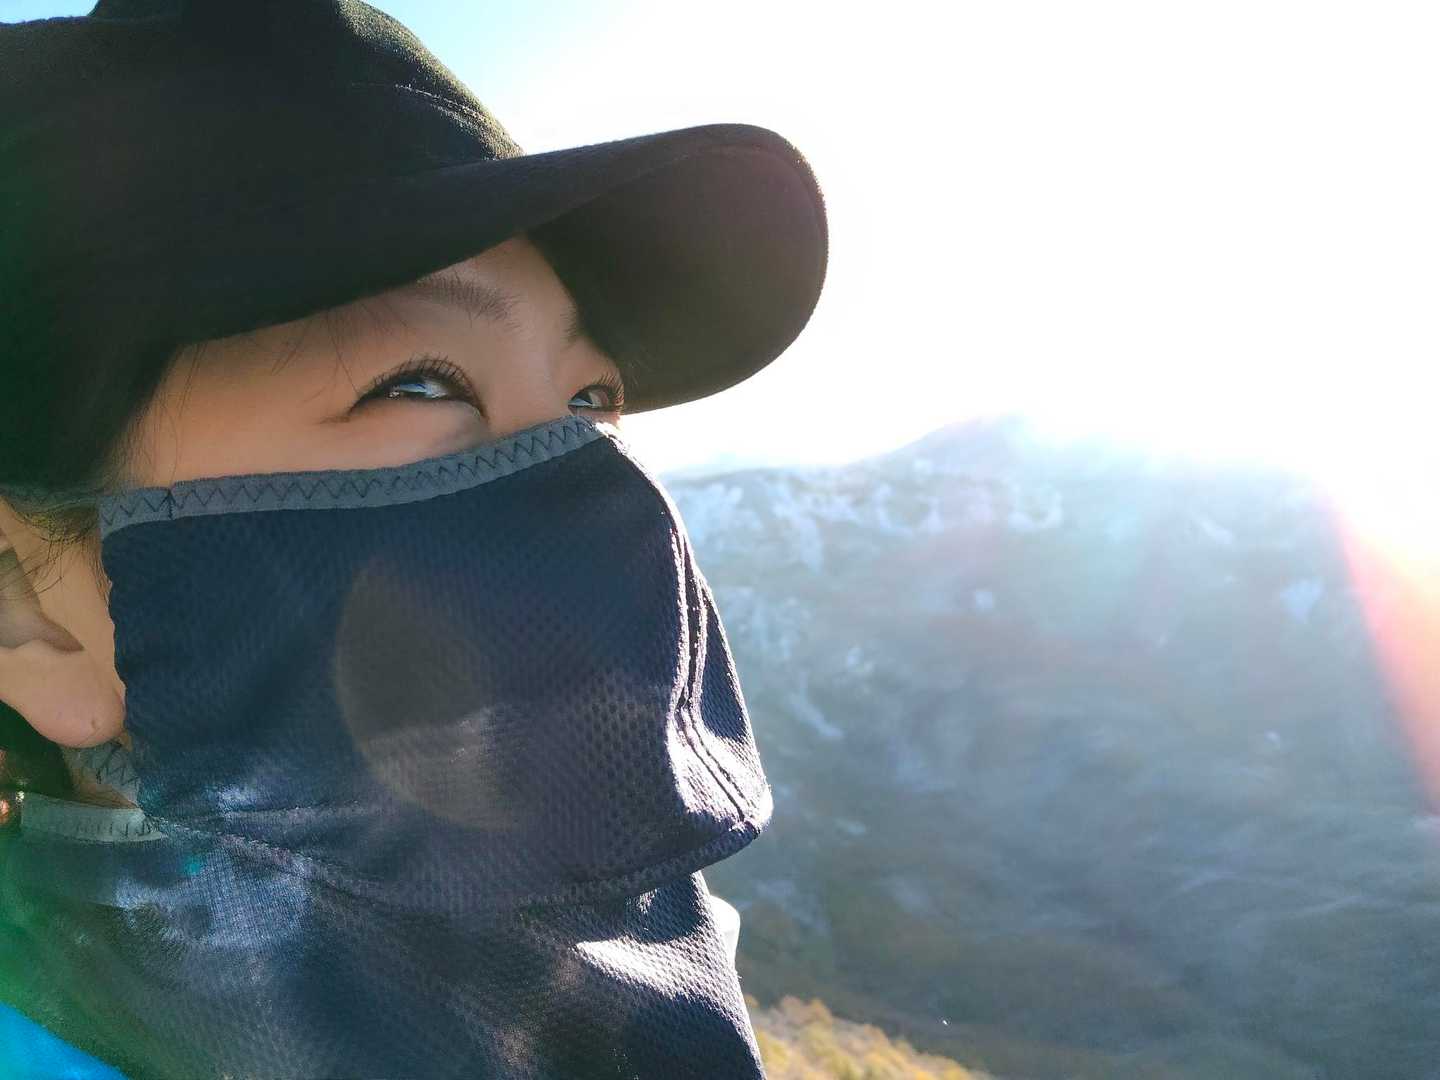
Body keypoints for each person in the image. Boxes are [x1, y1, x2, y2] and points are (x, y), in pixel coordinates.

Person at [0, 2, 827, 1077]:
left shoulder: (650, 974)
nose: (594, 489)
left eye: (591, 402)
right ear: (29, 611)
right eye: (421, 384)